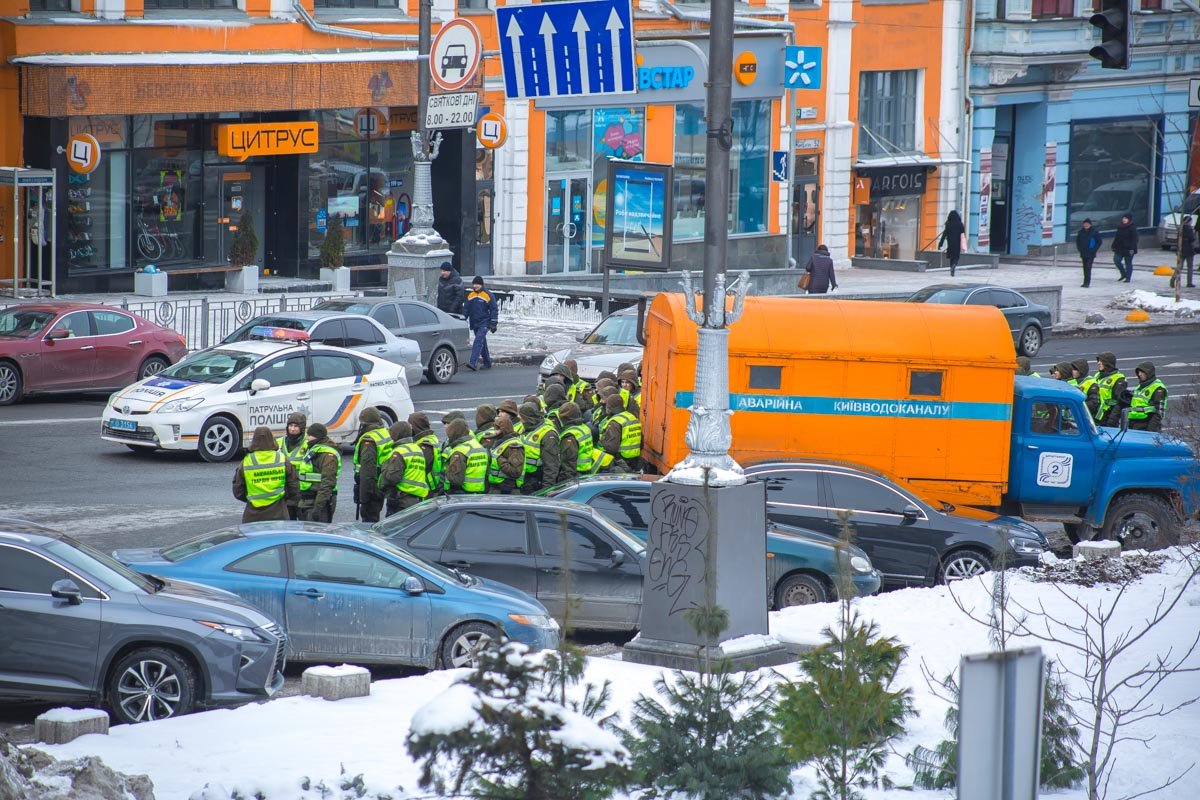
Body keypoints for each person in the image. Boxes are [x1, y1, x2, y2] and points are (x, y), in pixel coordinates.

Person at [233, 426, 299, 523]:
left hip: (253, 514)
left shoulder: (247, 461)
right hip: (279, 513)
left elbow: (238, 491)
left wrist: (251, 498)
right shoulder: (281, 458)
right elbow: (294, 486)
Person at [353, 408, 393, 523]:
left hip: (371, 486)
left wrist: (364, 497)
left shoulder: (369, 440)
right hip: (382, 481)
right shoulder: (385, 432)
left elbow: (367, 471)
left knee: (369, 520)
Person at [382, 420, 428, 516]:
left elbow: (392, 478)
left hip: (402, 500)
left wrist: (384, 469)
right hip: (417, 498)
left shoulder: (399, 452)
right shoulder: (416, 448)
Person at [298, 423, 340, 523]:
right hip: (310, 500)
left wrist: (318, 508)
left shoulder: (328, 455)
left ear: (317, 436)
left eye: (310, 435)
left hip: (320, 502)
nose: (307, 438)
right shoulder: (315, 449)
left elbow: (327, 483)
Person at [519, 401, 561, 493]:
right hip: (525, 482)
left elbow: (551, 466)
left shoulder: (548, 434)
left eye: (521, 416)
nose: (519, 418)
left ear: (527, 418)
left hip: (537, 483)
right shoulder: (526, 429)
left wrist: (546, 491)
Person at [275, 412, 308, 520]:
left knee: (303, 525)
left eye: (296, 426)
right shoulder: (278, 442)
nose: (292, 429)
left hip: (301, 490)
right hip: (284, 490)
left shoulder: (307, 443)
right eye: (290, 426)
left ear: (302, 428)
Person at [443, 418, 488, 494]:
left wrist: (446, 468)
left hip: (463, 494)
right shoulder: (478, 446)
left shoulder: (460, 451)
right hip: (480, 493)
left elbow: (455, 479)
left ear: (454, 433)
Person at [600, 392, 642, 472]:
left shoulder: (615, 422)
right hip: (634, 459)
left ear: (610, 407)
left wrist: (602, 441)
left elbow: (612, 448)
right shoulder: (631, 417)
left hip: (621, 460)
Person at [464, 276, 497, 370]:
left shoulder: (488, 295)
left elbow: (494, 309)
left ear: (481, 284)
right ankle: (487, 362)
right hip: (474, 323)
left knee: (478, 341)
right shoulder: (470, 295)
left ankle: (473, 362)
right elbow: (466, 309)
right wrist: (462, 319)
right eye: (474, 284)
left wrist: (493, 323)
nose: (475, 286)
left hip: (484, 323)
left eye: (477, 284)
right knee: (482, 342)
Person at [487, 414, 525, 494]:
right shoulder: (499, 442)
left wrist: (499, 458)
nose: (495, 432)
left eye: (497, 429)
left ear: (504, 429)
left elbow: (515, 472)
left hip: (509, 491)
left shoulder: (514, 446)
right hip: (498, 489)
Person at [1126, 361, 1168, 432]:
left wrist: (1151, 431)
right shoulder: (1140, 386)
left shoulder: (1158, 388)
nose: (1139, 374)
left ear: (1148, 372)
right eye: (1138, 372)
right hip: (1134, 423)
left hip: (1146, 425)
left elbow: (1159, 412)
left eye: (1142, 372)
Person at [556, 402, 595, 477]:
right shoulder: (584, 428)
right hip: (587, 472)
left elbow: (568, 466)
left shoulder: (570, 435)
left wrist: (564, 483)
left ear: (564, 418)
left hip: (575, 475)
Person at [1087, 352, 1126, 427]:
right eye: (1098, 361)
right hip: (1095, 416)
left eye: (1101, 361)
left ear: (1108, 363)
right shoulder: (1097, 375)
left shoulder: (1119, 380)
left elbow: (1120, 403)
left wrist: (1112, 421)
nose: (1098, 363)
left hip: (1107, 417)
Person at [408, 412, 441, 494]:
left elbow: (422, 466)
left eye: (410, 424)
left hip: (427, 487)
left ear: (416, 426)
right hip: (429, 485)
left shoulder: (425, 445)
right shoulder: (430, 438)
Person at [938, 211, 966, 277]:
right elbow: (963, 233)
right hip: (957, 242)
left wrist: (940, 244)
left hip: (950, 243)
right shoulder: (959, 224)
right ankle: (954, 265)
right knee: (956, 256)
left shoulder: (948, 224)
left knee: (951, 256)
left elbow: (944, 235)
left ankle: (951, 268)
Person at [1111, 213, 1138, 282]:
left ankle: (1128, 278)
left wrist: (1132, 248)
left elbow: (1134, 239)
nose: (1124, 219)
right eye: (1123, 218)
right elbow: (1117, 237)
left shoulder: (1132, 227)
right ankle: (1123, 274)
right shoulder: (1120, 227)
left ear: (1129, 219)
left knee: (1128, 263)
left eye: (1126, 218)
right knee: (1116, 260)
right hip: (1119, 248)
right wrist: (1113, 245)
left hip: (1129, 249)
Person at [1075, 218, 1101, 288]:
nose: (1086, 225)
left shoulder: (1094, 232)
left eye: (1087, 224)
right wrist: (1080, 249)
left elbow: (1099, 242)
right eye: (1085, 224)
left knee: (1088, 267)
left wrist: (1094, 249)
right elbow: (1078, 241)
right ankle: (1085, 282)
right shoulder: (1081, 232)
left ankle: (1087, 282)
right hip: (1083, 252)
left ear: (1090, 224)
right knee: (1084, 267)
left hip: (1091, 253)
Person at [1173, 216, 1196, 289]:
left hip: (1181, 250)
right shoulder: (1189, 229)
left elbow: (1178, 240)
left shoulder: (1180, 228)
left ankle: (1173, 278)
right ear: (1188, 221)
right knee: (1190, 267)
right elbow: (1192, 239)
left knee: (1179, 266)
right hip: (1189, 250)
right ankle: (1189, 282)